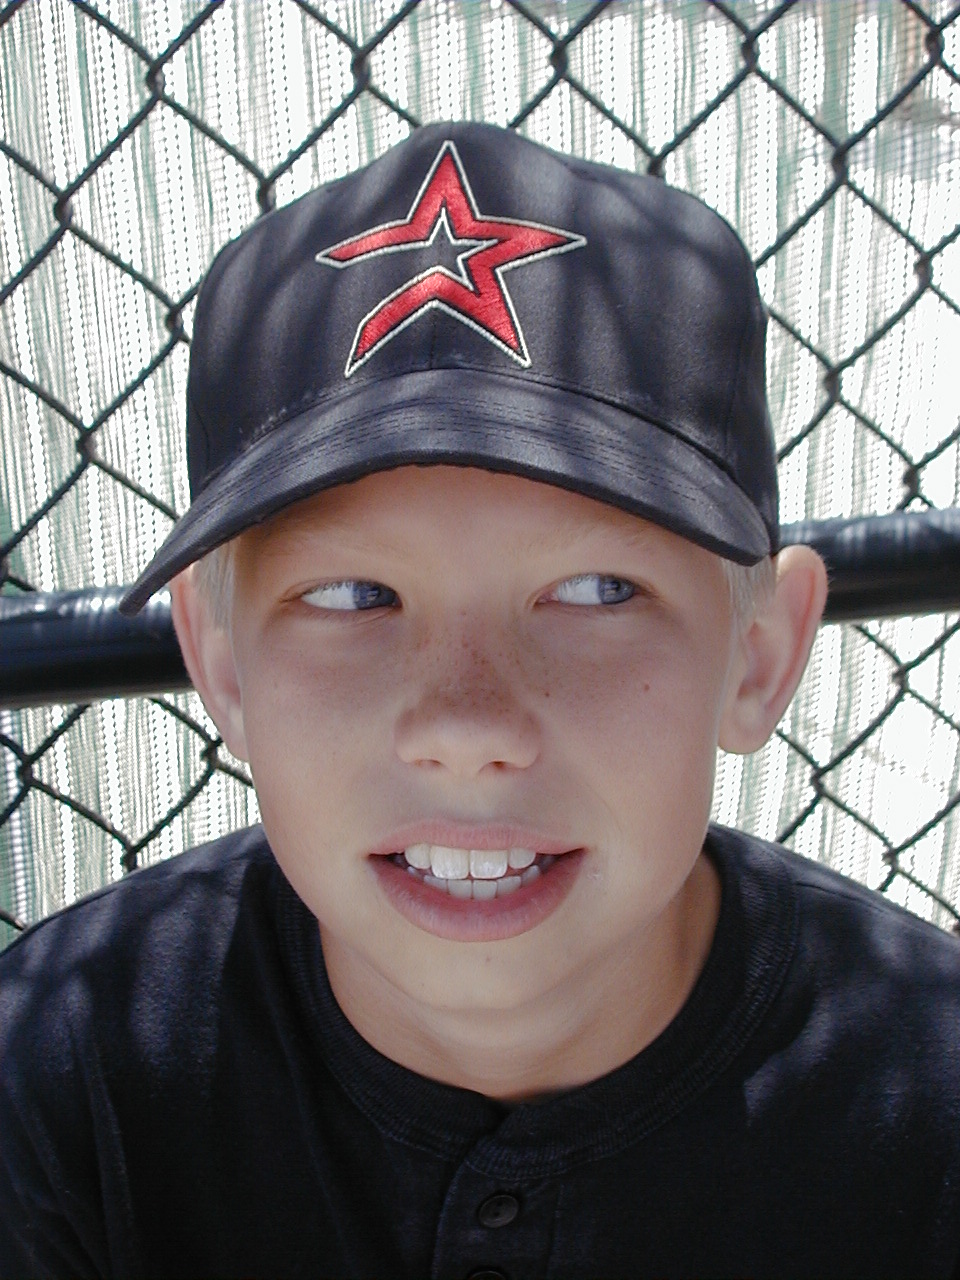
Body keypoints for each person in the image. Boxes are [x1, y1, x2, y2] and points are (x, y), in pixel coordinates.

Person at [1, 121, 958, 1280]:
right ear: (219, 660)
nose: (467, 725)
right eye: (352, 595)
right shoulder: (60, 1073)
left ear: (759, 654)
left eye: (596, 590)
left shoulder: (927, 1099)